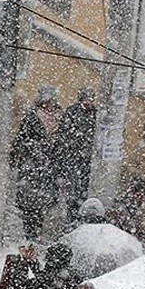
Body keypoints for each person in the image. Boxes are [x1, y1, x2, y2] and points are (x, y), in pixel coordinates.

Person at [10, 86, 64, 242]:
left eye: (51, 103)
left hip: (48, 170)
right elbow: (21, 139)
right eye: (46, 103)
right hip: (31, 167)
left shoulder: (59, 120)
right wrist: (16, 158)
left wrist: (59, 167)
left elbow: (62, 146)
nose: (49, 106)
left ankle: (35, 231)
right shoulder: (32, 118)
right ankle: (30, 233)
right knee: (29, 203)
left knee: (42, 204)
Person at [56, 87, 97, 225]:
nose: (89, 102)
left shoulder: (95, 114)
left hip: (86, 158)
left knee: (83, 189)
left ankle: (79, 215)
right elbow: (63, 134)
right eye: (87, 99)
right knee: (73, 189)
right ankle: (71, 217)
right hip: (73, 156)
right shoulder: (72, 112)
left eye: (91, 99)